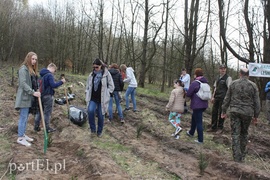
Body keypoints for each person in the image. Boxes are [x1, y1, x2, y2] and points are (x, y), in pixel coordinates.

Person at [221, 68, 260, 162]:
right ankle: (242, 155)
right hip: (247, 112)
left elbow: (227, 98)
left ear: (240, 74)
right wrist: (256, 116)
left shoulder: (233, 84)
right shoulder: (253, 85)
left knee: (235, 133)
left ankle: (236, 157)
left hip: (235, 111)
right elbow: (257, 102)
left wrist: (223, 111)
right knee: (244, 133)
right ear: (248, 75)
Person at [15, 52, 41, 147]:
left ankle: (23, 134)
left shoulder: (31, 70)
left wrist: (36, 89)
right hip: (24, 97)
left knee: (25, 117)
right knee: (23, 117)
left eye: (35, 59)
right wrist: (33, 92)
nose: (34, 61)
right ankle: (20, 138)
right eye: (32, 59)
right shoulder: (23, 69)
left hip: (28, 97)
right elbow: (23, 83)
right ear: (28, 58)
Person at [85, 59, 114, 137]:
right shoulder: (91, 75)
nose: (95, 69)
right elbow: (87, 85)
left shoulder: (106, 75)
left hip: (102, 99)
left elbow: (111, 86)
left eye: (97, 67)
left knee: (101, 115)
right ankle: (93, 130)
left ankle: (99, 132)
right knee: (90, 111)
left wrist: (107, 93)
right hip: (93, 98)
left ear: (101, 66)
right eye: (94, 67)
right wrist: (87, 92)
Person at [34, 63, 66, 133]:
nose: (54, 72)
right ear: (52, 68)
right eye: (54, 71)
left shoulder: (41, 74)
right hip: (48, 96)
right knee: (47, 113)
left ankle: (36, 126)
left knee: (39, 112)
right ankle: (47, 128)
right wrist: (61, 82)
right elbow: (53, 85)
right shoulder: (49, 75)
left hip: (40, 96)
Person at [186, 68, 209, 144]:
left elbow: (189, 93)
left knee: (199, 122)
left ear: (196, 74)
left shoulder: (195, 83)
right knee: (194, 117)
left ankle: (200, 139)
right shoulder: (205, 82)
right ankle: (191, 132)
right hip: (204, 104)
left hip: (197, 105)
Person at [207, 64, 232, 133]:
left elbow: (230, 89)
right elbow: (215, 88)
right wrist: (213, 96)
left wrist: (227, 99)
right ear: (219, 69)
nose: (223, 70)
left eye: (224, 69)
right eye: (221, 69)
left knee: (222, 112)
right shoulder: (218, 77)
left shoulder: (228, 78)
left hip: (223, 98)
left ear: (226, 69)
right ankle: (213, 127)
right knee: (214, 112)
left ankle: (220, 128)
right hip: (217, 97)